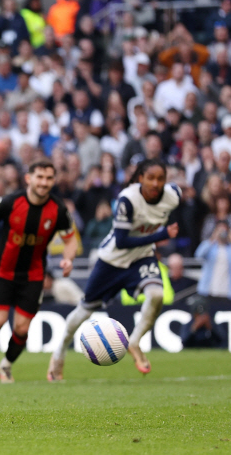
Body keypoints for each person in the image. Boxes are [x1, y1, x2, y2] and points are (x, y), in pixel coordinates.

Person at [48, 159, 181, 381]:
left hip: (141, 258)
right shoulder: (127, 200)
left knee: (156, 294)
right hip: (112, 261)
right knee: (84, 310)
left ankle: (135, 342)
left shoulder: (173, 195)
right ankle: (59, 353)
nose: (156, 183)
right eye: (150, 178)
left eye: (160, 179)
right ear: (140, 178)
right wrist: (162, 235)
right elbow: (121, 241)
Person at [0, 159, 77, 383]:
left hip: (33, 275)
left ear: (54, 181)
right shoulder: (11, 201)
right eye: (39, 177)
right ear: (29, 179)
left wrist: (68, 259)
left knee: (21, 328)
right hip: (3, 270)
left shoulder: (58, 210)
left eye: (49, 178)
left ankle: (6, 366)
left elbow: (70, 239)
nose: (44, 182)